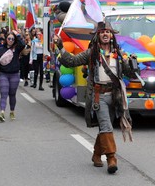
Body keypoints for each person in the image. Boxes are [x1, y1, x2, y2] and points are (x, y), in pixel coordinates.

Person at [53, 21, 138, 174]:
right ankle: (112, 158)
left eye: (108, 31)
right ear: (97, 36)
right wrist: (60, 46)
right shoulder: (91, 53)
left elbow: (130, 74)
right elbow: (71, 61)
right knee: (106, 126)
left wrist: (133, 64)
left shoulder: (118, 54)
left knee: (106, 127)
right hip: (99, 96)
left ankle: (97, 154)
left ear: (112, 35)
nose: (105, 34)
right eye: (102, 32)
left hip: (116, 96)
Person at [0, 31, 25, 122]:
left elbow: (22, 44)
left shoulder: (17, 48)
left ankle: (12, 111)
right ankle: (2, 112)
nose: (10, 40)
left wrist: (17, 35)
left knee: (12, 94)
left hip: (14, 74)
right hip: (3, 74)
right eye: (9, 38)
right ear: (6, 39)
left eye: (12, 39)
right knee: (4, 94)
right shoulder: (0, 50)